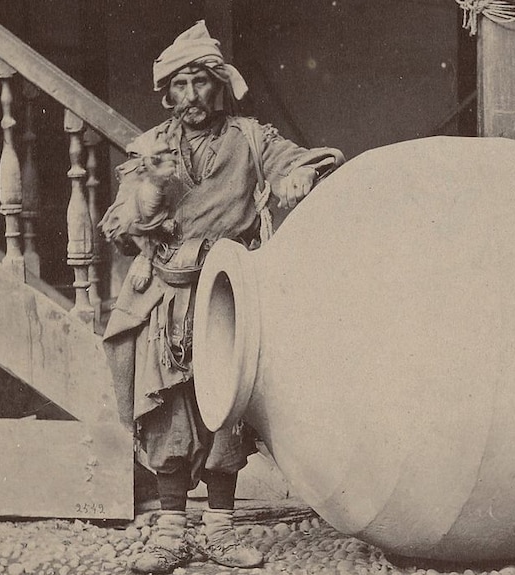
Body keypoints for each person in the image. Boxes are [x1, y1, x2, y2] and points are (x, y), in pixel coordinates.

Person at [99, 20, 345, 574]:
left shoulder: (252, 138)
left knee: (224, 410)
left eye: (202, 82)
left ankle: (219, 532)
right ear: (166, 95)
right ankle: (169, 534)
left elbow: (294, 162)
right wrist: (148, 195)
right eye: (180, 86)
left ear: (221, 84)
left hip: (228, 295)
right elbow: (116, 227)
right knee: (168, 411)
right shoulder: (149, 149)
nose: (192, 97)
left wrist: (293, 179)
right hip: (165, 296)